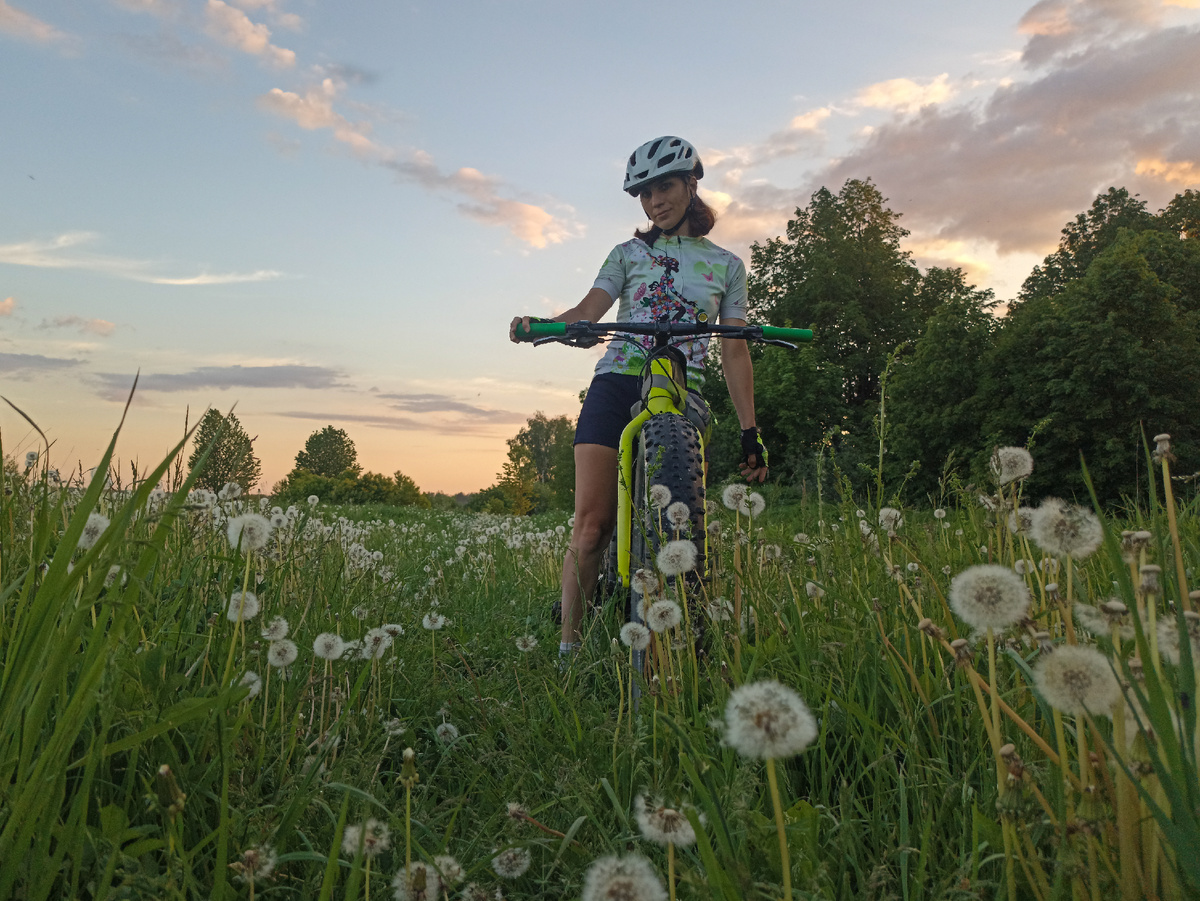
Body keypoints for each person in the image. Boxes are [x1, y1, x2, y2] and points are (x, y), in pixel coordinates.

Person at [509, 135, 768, 662]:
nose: (656, 202)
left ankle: (683, 625)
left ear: (691, 185)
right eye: (645, 195)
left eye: (665, 187)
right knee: (591, 525)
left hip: (680, 388)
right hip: (618, 380)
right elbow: (592, 306)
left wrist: (750, 431)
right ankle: (568, 650)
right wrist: (552, 325)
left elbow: (735, 350)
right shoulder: (628, 253)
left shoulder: (727, 265)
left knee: (680, 515)